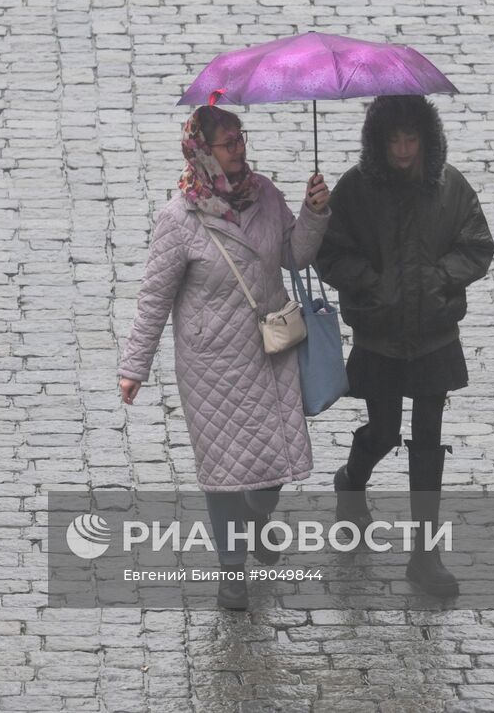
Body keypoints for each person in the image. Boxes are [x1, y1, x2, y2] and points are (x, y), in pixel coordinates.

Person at [118, 106, 330, 610]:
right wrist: (134, 367)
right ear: (202, 151)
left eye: (240, 138)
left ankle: (258, 521)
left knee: (270, 468)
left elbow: (294, 256)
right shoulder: (179, 219)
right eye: (227, 142)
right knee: (223, 473)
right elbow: (155, 297)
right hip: (211, 364)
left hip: (269, 351)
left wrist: (316, 213)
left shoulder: (267, 196)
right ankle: (232, 572)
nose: (238, 148)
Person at [314, 94, 494, 598]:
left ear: (425, 139)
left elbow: (478, 245)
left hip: (435, 334)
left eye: (410, 138)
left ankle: (424, 554)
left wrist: (440, 280)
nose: (402, 149)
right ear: (379, 141)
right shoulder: (356, 189)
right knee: (386, 430)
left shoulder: (450, 186)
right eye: (393, 139)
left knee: (429, 440)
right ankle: (352, 477)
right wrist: (371, 286)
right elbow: (331, 253)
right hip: (380, 335)